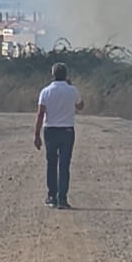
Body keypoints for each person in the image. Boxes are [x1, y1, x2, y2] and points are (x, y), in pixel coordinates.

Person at [34, 62, 83, 209]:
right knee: (64, 165)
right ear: (66, 75)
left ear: (53, 74)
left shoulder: (46, 91)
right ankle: (62, 198)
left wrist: (36, 135)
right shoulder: (72, 90)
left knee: (51, 164)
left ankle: (51, 196)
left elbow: (40, 113)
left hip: (50, 130)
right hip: (67, 130)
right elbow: (80, 106)